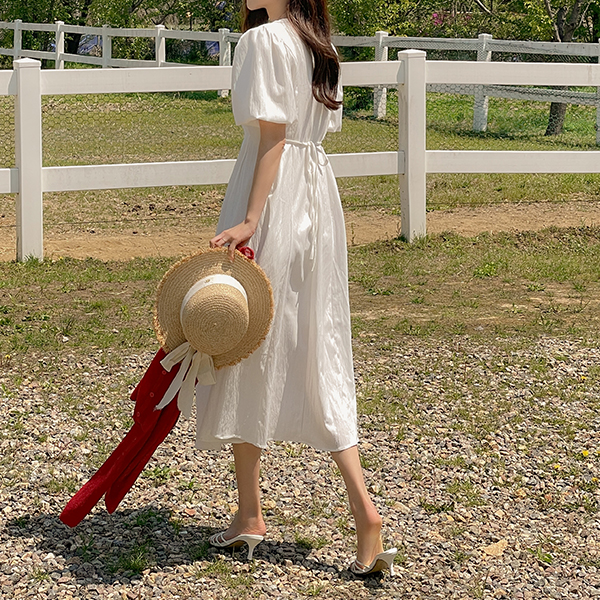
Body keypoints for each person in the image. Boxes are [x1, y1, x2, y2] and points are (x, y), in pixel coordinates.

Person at [201, 0, 396, 576]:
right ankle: (358, 512)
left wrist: (251, 218)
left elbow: (274, 137)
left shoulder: (262, 41)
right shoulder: (319, 45)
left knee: (244, 338)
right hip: (317, 197)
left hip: (271, 196)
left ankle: (252, 511)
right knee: (319, 346)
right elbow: (310, 132)